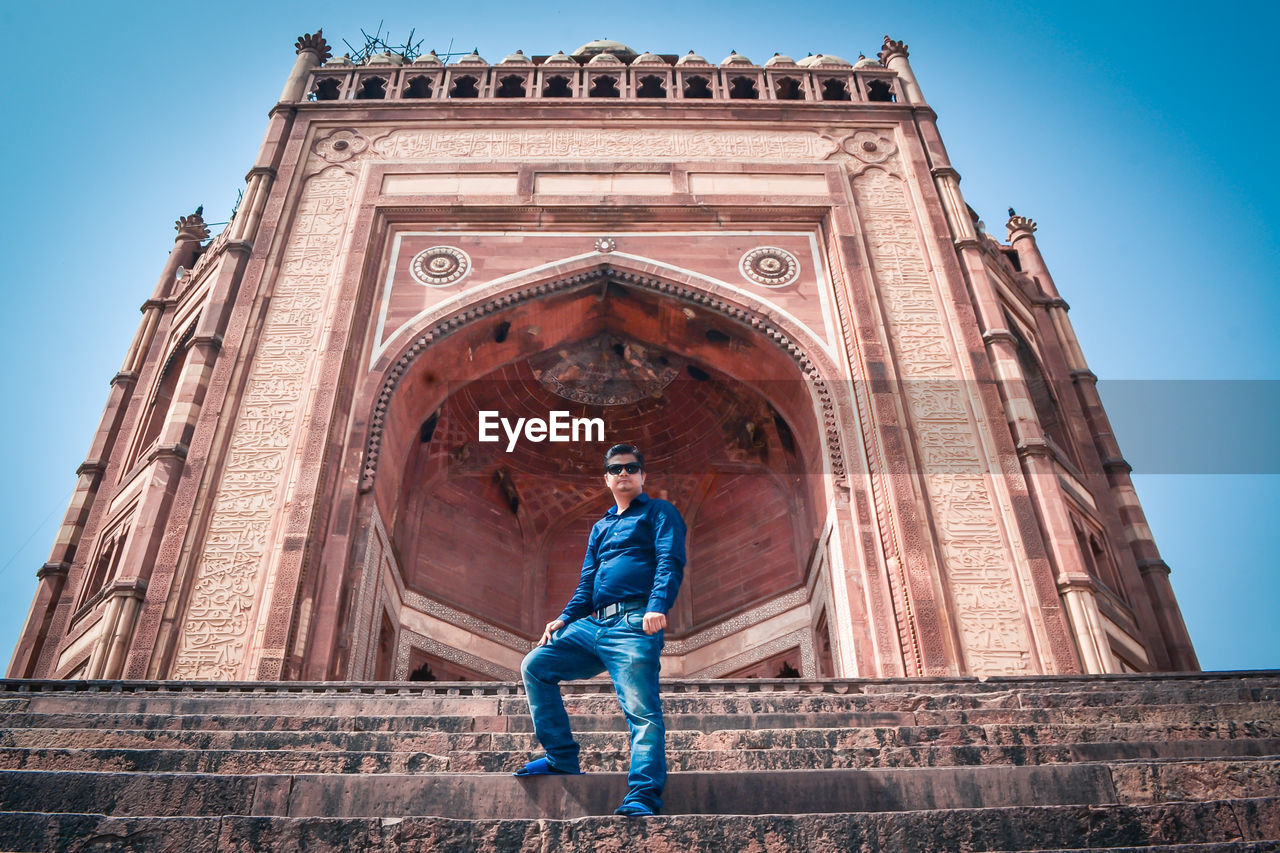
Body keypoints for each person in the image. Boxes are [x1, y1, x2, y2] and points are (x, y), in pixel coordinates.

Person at [515, 443, 687, 818]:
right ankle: (561, 758)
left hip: (633, 622)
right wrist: (564, 617)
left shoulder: (660, 512)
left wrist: (657, 606)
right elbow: (587, 582)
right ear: (606, 478)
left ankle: (643, 794)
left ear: (643, 475)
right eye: (616, 468)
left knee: (641, 711)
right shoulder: (602, 525)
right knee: (535, 666)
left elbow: (669, 560)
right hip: (593, 624)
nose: (624, 473)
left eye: (631, 467)